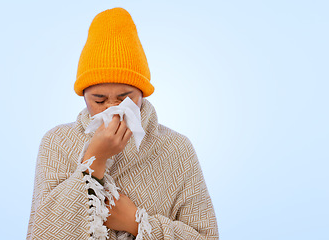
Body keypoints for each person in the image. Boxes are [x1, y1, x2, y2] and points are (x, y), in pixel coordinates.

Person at [26, 7, 219, 240]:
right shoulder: (57, 143)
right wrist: (93, 161)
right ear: (84, 96)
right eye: (99, 100)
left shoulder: (176, 149)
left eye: (124, 98)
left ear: (142, 93)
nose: (112, 109)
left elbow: (207, 236)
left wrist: (138, 222)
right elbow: (42, 233)